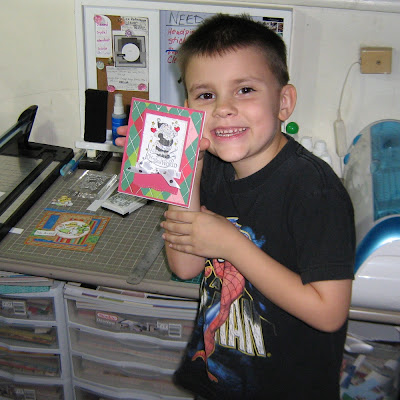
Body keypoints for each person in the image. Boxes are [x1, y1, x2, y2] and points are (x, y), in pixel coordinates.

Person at [117, 13, 355, 400]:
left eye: (244, 90)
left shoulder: (315, 190)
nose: (223, 108)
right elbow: (185, 266)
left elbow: (329, 314)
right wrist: (183, 170)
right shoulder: (211, 168)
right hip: (220, 376)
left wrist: (232, 245)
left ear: (283, 102)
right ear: (189, 107)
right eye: (206, 95)